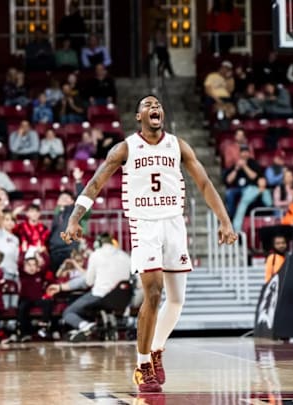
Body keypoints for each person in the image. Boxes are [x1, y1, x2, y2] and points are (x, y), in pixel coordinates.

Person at [60, 95, 237, 392]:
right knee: (153, 293)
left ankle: (156, 350)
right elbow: (95, 184)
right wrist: (75, 218)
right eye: (147, 105)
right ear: (138, 117)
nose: (154, 107)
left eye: (157, 104)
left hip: (174, 224)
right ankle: (142, 364)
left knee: (177, 300)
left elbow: (205, 183)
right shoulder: (125, 148)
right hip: (144, 226)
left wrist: (225, 220)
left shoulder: (178, 145)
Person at [49, 233, 131, 342]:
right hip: (124, 298)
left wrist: (60, 287)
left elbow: (88, 281)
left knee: (68, 312)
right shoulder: (125, 256)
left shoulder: (96, 255)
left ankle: (85, 326)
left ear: (98, 244)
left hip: (102, 296)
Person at [15, 256, 51, 342]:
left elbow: (46, 265)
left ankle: (43, 327)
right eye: (29, 265)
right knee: (22, 308)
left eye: (34, 265)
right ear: (25, 267)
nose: (31, 267)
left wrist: (40, 256)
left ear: (37, 267)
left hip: (38, 299)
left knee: (48, 302)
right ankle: (24, 333)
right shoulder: (22, 274)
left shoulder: (39, 275)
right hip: (26, 299)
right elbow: (19, 264)